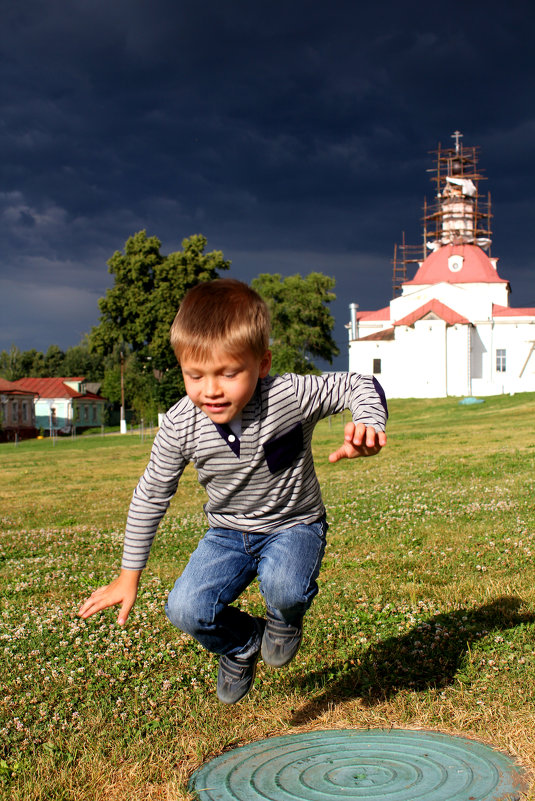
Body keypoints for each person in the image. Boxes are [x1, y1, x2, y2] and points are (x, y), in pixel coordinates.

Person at [79, 278, 387, 704]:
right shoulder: (179, 425)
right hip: (228, 534)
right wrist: (128, 576)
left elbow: (359, 384)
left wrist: (369, 422)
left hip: (294, 524)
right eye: (195, 374)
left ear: (261, 363)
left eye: (228, 372)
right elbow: (151, 494)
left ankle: (283, 618)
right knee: (185, 609)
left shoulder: (289, 395)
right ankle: (242, 643)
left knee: (284, 586)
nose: (211, 389)